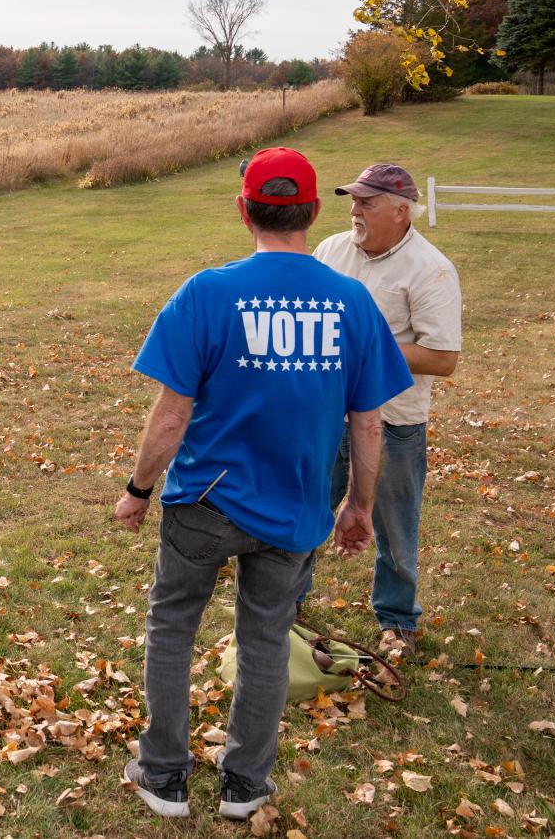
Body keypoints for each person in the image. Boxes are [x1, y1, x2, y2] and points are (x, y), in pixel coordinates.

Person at [113, 146, 411, 820]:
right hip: (296, 507)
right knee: (266, 639)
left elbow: (170, 415)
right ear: (310, 212)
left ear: (245, 210)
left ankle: (164, 775)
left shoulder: (207, 293)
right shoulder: (352, 303)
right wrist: (358, 505)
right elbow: (369, 425)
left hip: (203, 501)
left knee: (172, 628)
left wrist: (138, 488)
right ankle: (244, 785)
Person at [307, 163, 462, 659]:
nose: (354, 211)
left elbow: (443, 358)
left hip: (395, 420)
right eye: (353, 201)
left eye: (366, 203)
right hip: (325, 414)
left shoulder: (430, 268)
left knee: (396, 525)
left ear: (401, 212)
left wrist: (365, 348)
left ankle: (397, 622)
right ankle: (282, 602)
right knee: (305, 508)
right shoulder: (330, 251)